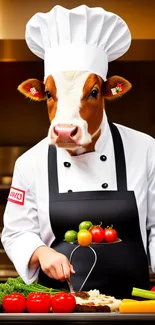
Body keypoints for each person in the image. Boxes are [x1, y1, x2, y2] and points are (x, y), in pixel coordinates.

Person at [1, 5, 155, 299]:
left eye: (91, 93)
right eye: (50, 95)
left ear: (111, 92)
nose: (66, 122)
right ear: (40, 94)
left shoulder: (146, 150)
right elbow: (16, 232)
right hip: (58, 307)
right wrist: (40, 251)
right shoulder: (29, 163)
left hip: (133, 310)